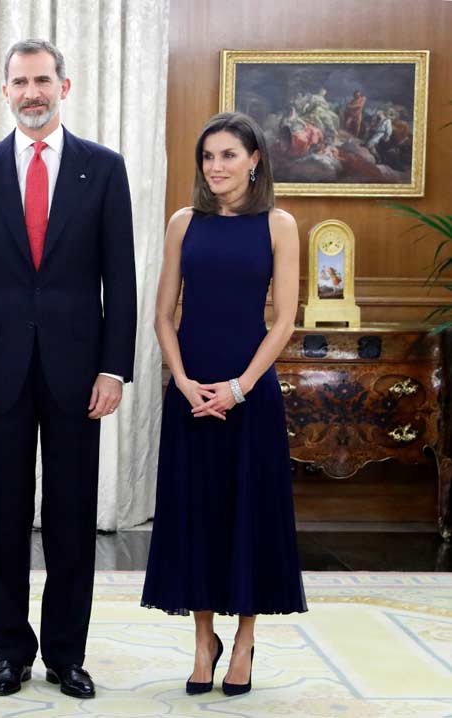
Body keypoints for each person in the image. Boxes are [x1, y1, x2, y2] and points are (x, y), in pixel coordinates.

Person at [0, 39, 137, 700]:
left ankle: (66, 654)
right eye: (20, 81)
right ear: (5, 91)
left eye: (43, 80)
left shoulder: (104, 169)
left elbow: (123, 280)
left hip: (79, 373)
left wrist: (114, 368)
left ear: (65, 86)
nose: (32, 92)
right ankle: (9, 653)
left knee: (72, 517)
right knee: (2, 516)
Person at [140, 112, 307, 697]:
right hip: (191, 391)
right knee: (199, 513)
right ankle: (202, 641)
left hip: (249, 390)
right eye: (208, 157)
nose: (216, 167)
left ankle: (244, 642)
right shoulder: (184, 222)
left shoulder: (280, 224)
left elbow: (284, 318)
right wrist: (183, 381)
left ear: (255, 159)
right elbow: (163, 315)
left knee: (248, 512)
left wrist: (239, 387)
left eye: (228, 155)